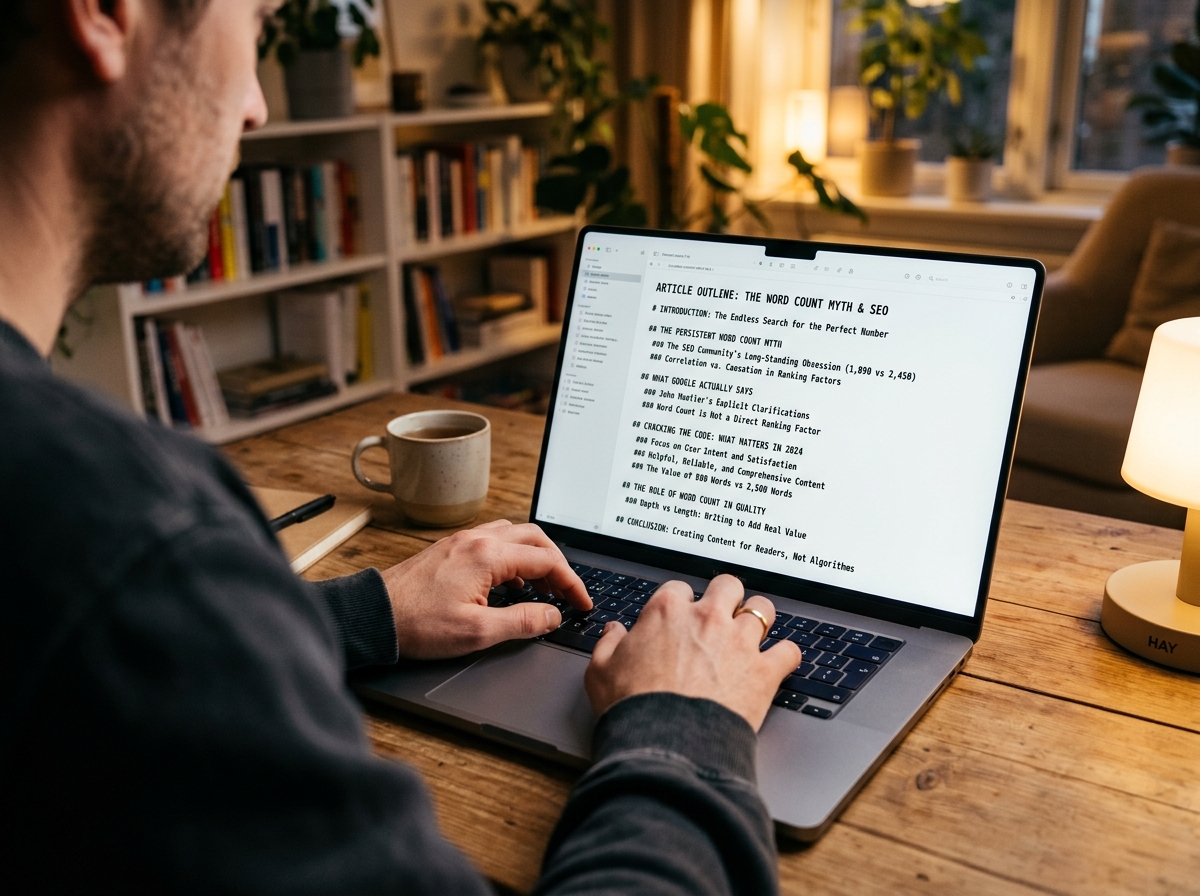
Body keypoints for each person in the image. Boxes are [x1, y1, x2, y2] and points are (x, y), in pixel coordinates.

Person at [0, 1, 803, 892]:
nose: (257, 105)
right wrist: (684, 731)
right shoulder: (135, 541)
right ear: (107, 13)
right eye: (256, 22)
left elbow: (137, 658)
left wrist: (365, 613)